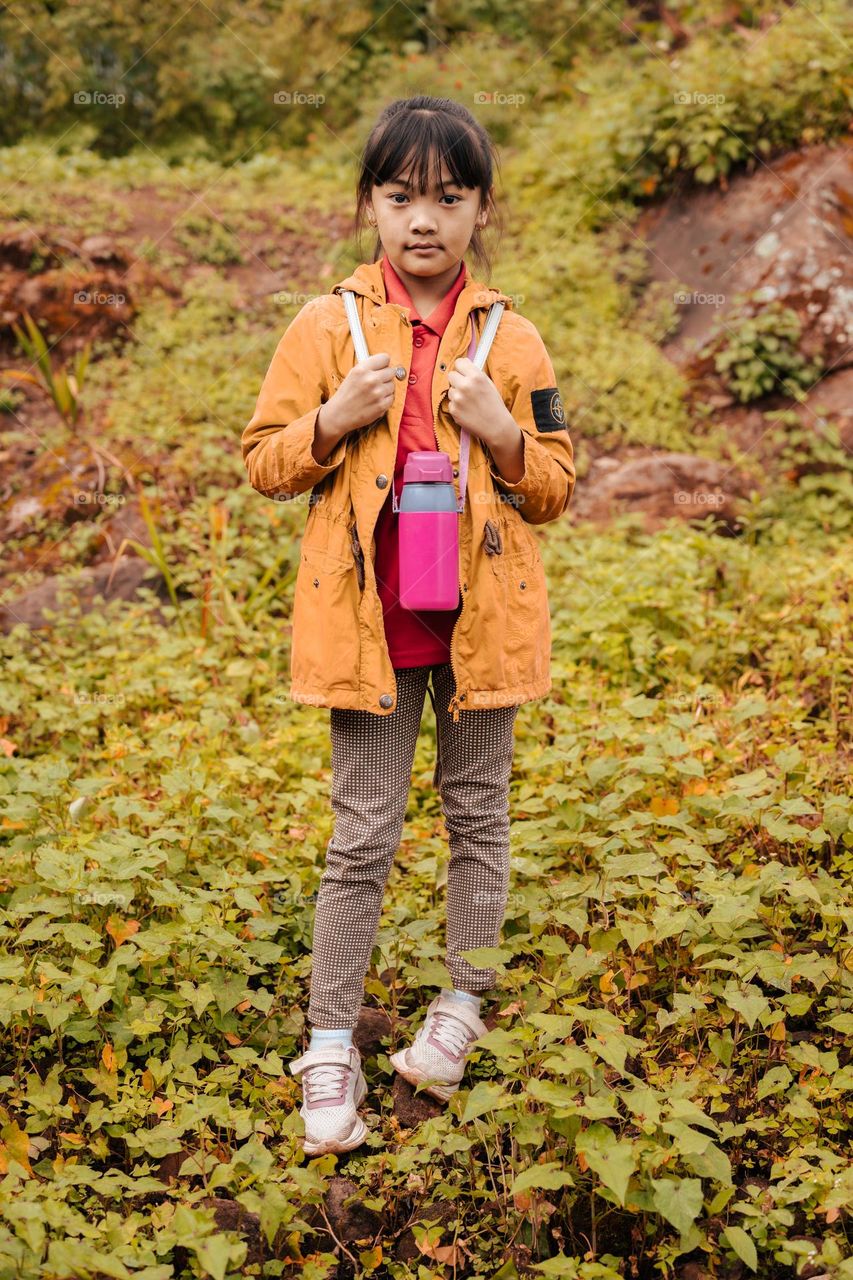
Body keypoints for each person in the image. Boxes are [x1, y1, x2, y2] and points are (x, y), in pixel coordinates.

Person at [241, 94, 575, 1155]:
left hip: (480, 627)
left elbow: (557, 484)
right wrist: (331, 421)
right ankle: (329, 1039)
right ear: (369, 206)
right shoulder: (321, 327)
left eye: (449, 196)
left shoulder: (511, 338)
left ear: (483, 209)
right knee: (361, 838)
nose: (423, 220)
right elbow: (260, 460)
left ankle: (462, 999)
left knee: (479, 815)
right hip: (368, 630)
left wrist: (504, 438)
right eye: (400, 197)